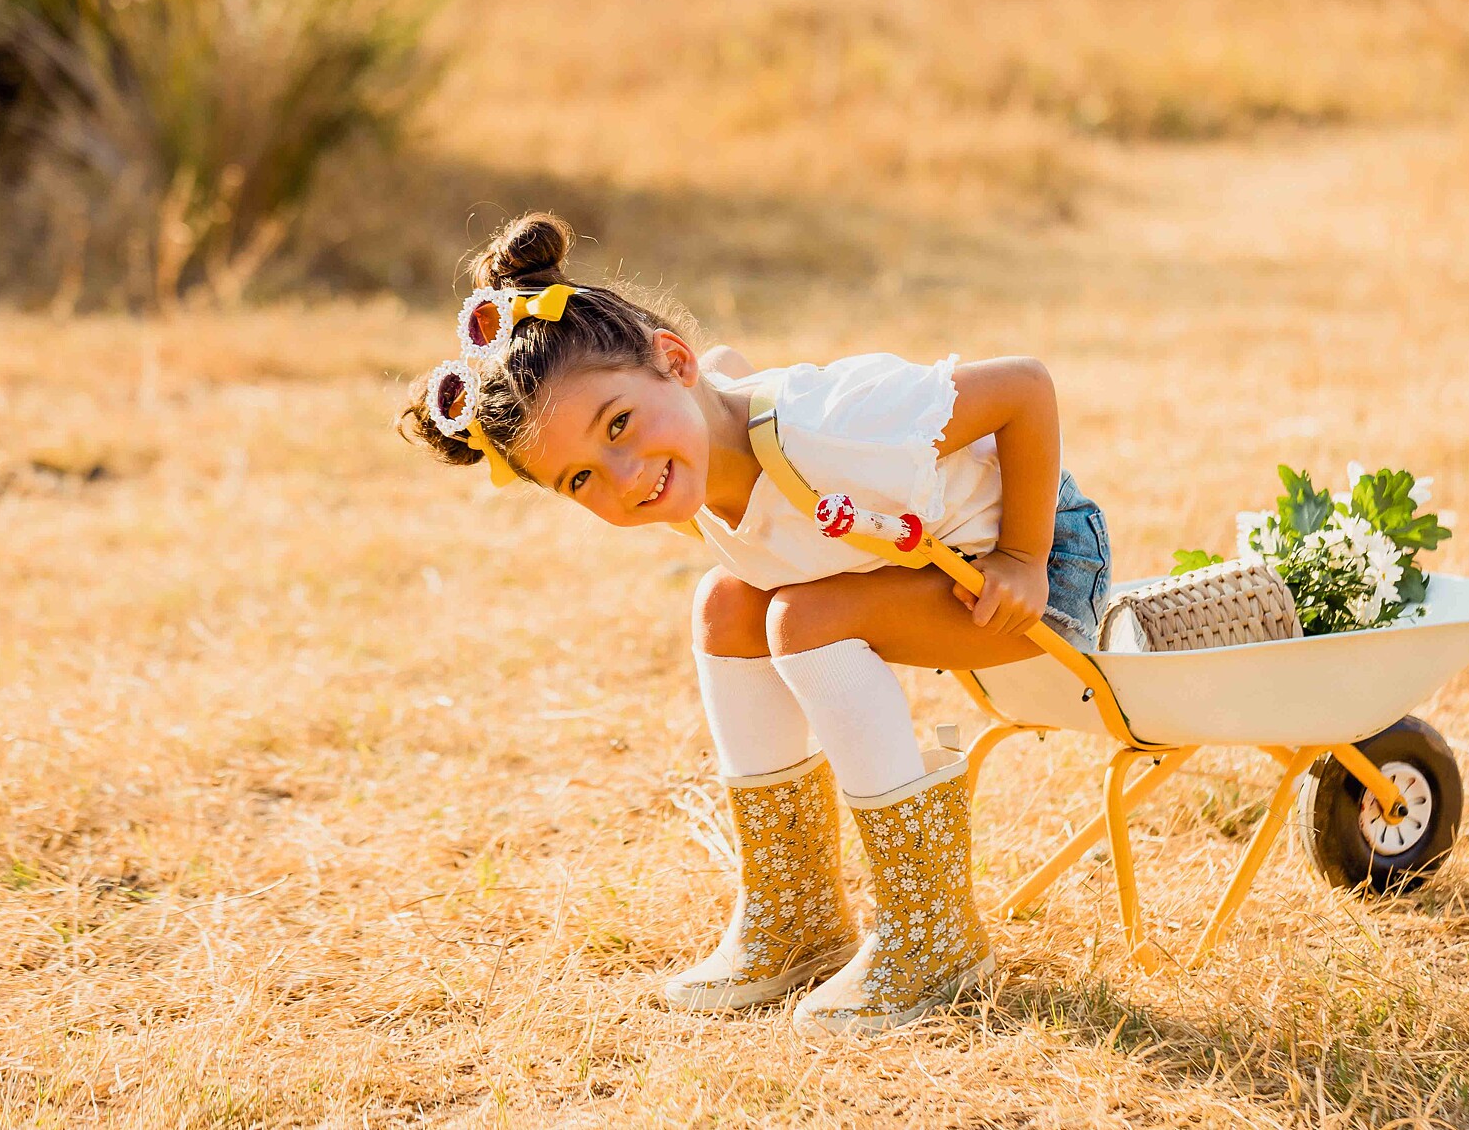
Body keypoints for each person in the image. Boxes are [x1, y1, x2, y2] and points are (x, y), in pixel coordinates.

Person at [397, 213, 1110, 1034]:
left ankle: (933, 932)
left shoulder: (832, 424)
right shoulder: (690, 451)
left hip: (1035, 573)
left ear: (675, 360)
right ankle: (796, 915)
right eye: (581, 476)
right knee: (725, 602)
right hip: (922, 572)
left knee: (803, 617)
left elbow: (1024, 387)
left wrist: (1022, 555)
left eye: (619, 424)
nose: (624, 478)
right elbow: (727, 372)